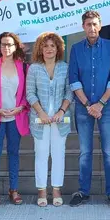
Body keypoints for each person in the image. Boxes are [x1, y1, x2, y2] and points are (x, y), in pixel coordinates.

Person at [68, 11, 110, 209]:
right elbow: (73, 79)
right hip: (84, 108)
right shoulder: (75, 49)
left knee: (109, 151)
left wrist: (100, 103)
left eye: (95, 24)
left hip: (106, 107)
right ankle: (83, 191)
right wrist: (87, 105)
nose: (92, 27)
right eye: (88, 24)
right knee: (85, 151)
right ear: (83, 26)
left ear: (100, 26)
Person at [0, 32, 29, 206]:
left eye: (9, 44)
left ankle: (13, 189)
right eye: (3, 44)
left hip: (16, 117)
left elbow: (26, 93)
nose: (6, 48)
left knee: (13, 154)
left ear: (15, 46)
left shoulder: (23, 66)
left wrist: (20, 107)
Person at [26, 32, 72, 207]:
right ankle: (42, 191)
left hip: (60, 119)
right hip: (40, 120)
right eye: (45, 46)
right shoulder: (34, 68)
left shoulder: (65, 67)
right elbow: (30, 93)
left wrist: (61, 111)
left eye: (52, 45)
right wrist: (41, 113)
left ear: (58, 48)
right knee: (41, 154)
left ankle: (56, 190)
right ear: (40, 48)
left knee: (59, 154)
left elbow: (69, 92)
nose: (49, 49)